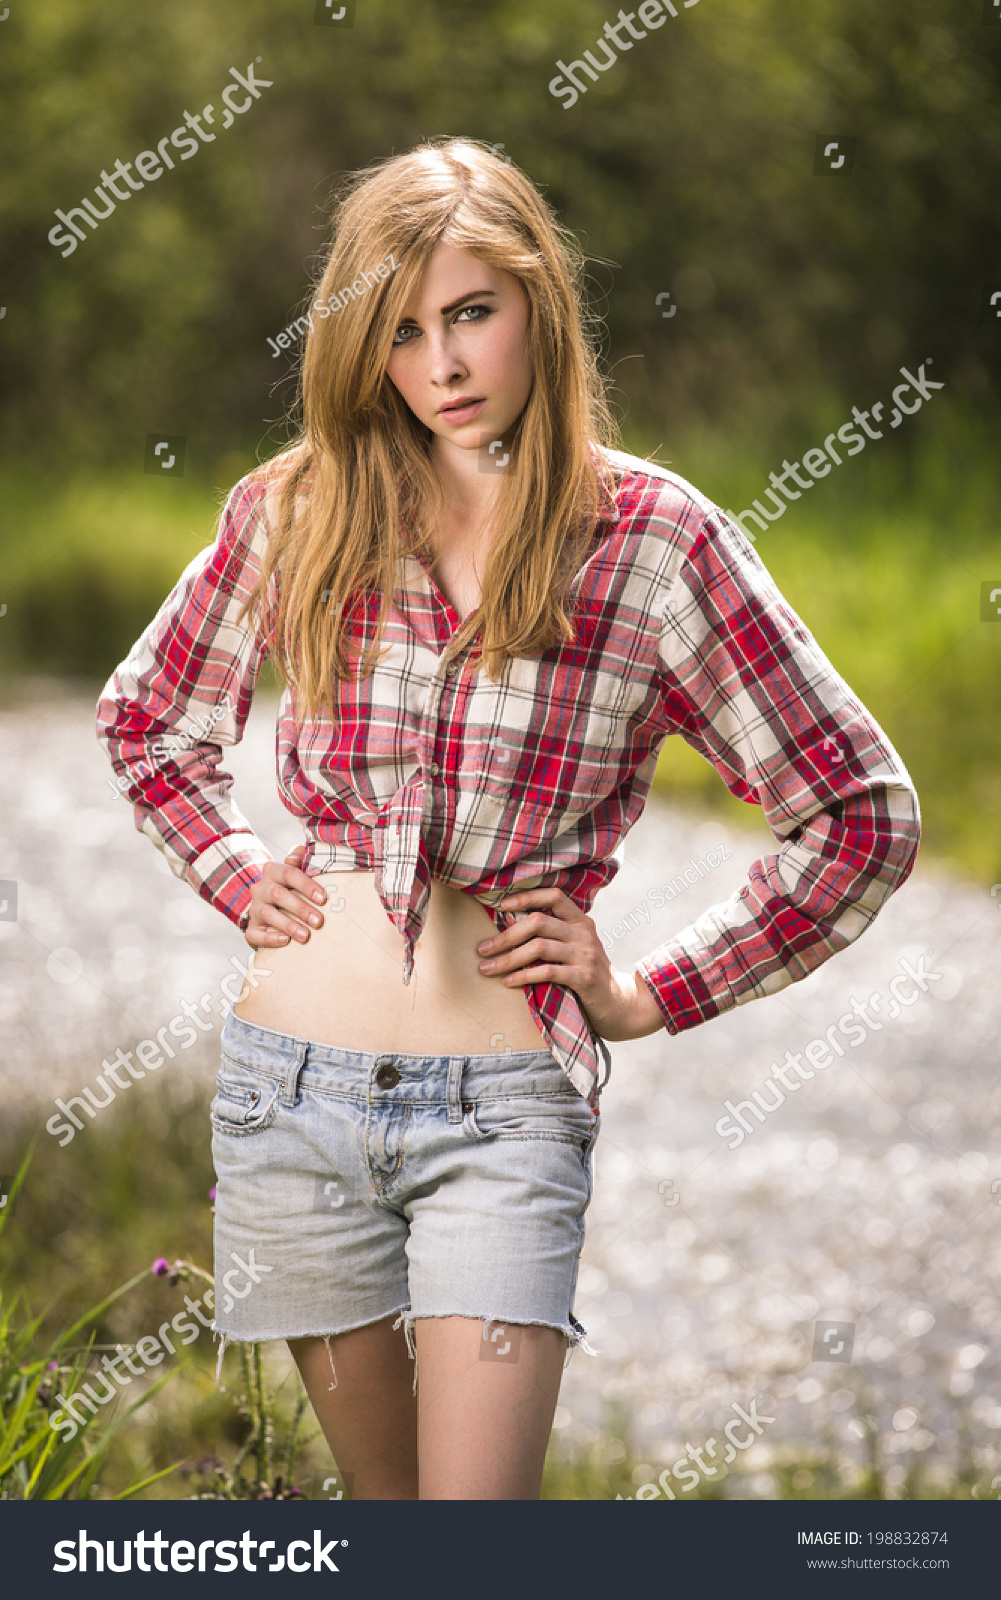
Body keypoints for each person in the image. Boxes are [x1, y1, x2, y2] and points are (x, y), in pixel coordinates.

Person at [95, 137, 920, 1500]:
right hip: (287, 1093)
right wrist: (239, 874)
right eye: (400, 329)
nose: (440, 363)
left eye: (472, 312)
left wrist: (650, 992)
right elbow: (147, 721)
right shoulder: (298, 509)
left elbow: (855, 813)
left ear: (540, 303)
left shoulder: (656, 540)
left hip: (503, 1108)